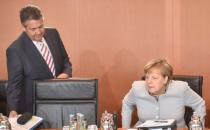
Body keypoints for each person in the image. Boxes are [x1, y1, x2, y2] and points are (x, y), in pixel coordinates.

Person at [6, 4, 72, 117]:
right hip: (34, 110)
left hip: (60, 102)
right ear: (24, 27)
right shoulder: (15, 50)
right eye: (33, 29)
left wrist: (66, 73)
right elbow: (14, 85)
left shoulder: (53, 34)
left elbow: (65, 60)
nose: (39, 32)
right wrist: (13, 109)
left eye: (41, 26)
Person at [121, 59, 206, 128]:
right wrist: (125, 127)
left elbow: (199, 104)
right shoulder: (137, 88)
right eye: (147, 77)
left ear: (165, 79)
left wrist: (197, 127)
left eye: (154, 78)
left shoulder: (180, 89)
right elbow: (127, 103)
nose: (149, 82)